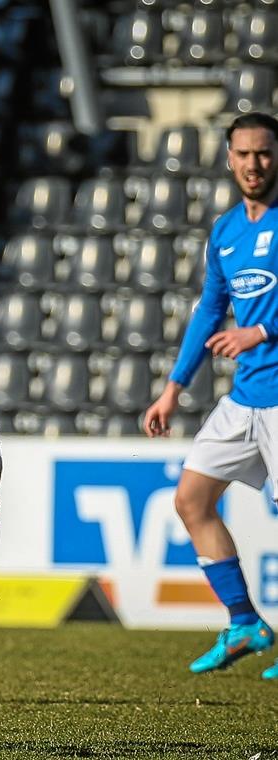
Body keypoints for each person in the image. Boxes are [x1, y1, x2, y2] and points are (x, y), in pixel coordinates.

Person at [143, 111, 278, 681]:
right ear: (229, 159)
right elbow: (207, 314)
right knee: (192, 501)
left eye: (265, 153)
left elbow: (245, 321)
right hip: (245, 397)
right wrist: (173, 389)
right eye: (244, 154)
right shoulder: (226, 232)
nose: (254, 164)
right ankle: (244, 620)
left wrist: (263, 331)